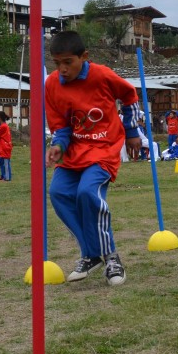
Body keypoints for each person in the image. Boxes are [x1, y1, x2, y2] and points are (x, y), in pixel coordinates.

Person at [44, 30, 141, 287]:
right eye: (57, 63)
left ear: (84, 57)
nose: (62, 69)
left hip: (104, 148)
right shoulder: (52, 84)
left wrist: (132, 132)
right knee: (59, 193)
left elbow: (129, 96)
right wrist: (57, 147)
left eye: (68, 62)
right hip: (74, 152)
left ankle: (111, 257)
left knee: (88, 193)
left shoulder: (102, 75)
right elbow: (62, 127)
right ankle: (90, 254)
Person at [0, 111, 13, 181]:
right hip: (2, 146)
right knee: (1, 162)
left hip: (5, 147)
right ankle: (3, 175)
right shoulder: (2, 126)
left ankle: (7, 177)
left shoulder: (4, 126)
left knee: (5, 163)